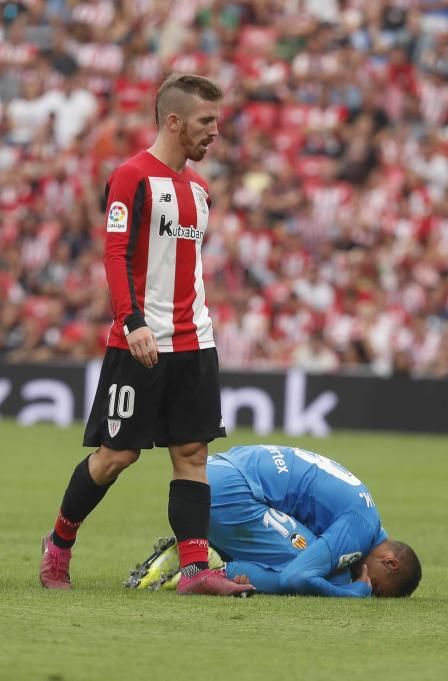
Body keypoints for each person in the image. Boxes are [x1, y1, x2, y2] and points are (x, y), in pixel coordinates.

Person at [39, 74, 254, 597]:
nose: (215, 132)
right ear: (174, 122)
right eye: (207, 122)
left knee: (193, 452)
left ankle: (196, 571)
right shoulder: (132, 177)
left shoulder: (200, 190)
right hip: (141, 341)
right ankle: (59, 544)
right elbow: (115, 254)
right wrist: (132, 321)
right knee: (117, 456)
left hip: (194, 341)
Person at [124, 445, 421, 598]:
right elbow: (296, 578)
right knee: (329, 575)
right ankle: (204, 570)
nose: (369, 586)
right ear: (390, 563)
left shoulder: (364, 507)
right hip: (232, 493)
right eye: (378, 590)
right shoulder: (362, 527)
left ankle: (194, 553)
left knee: (312, 558)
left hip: (204, 475)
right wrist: (353, 592)